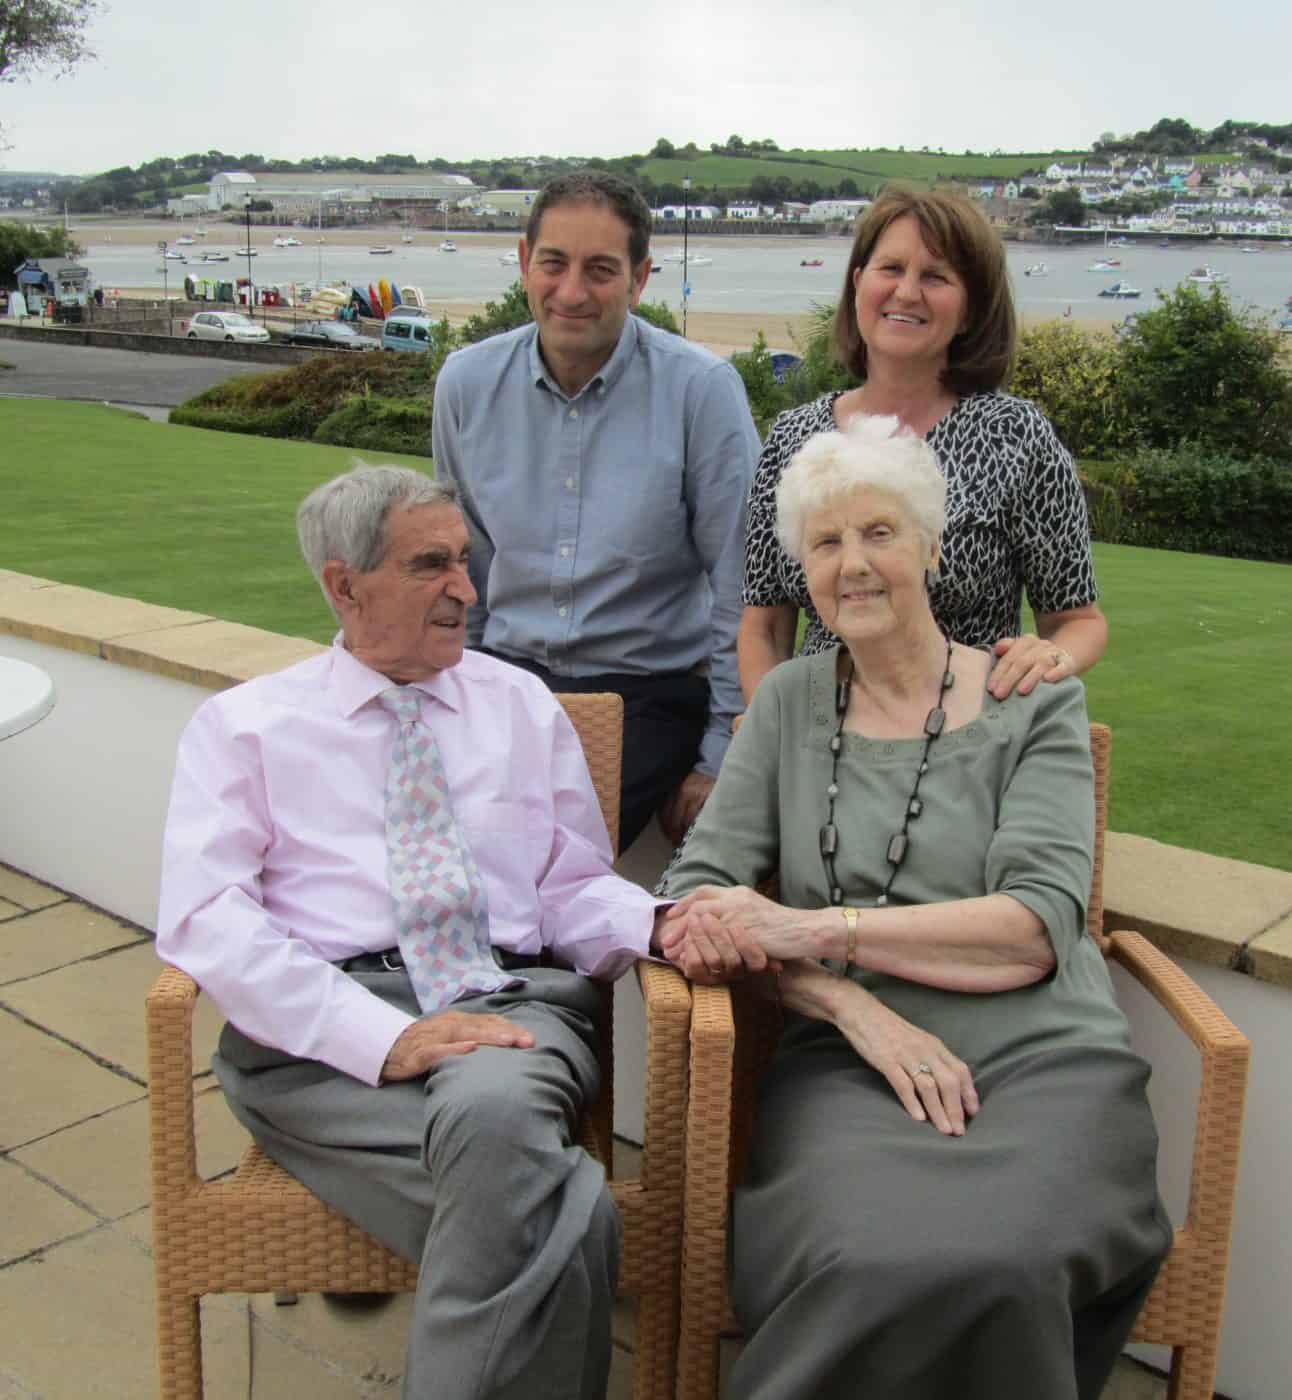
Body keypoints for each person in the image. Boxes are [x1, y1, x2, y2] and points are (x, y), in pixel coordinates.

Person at [658, 417, 1168, 1400]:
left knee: (1002, 1262)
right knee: (868, 1258)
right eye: (823, 542)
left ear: (932, 546)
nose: (851, 564)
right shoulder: (786, 705)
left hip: (1043, 1056)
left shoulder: (1033, 699)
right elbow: (689, 900)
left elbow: (1031, 927)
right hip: (847, 1067)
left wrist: (811, 928)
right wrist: (848, 1003)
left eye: (878, 533)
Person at [156, 465, 669, 1400]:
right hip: (317, 1039)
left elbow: (573, 886)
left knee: (496, 1112)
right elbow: (205, 919)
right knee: (567, 1209)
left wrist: (666, 923)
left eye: (466, 563)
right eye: (432, 564)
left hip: (504, 1006)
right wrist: (382, 1037)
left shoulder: (518, 704)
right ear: (344, 586)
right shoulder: (244, 728)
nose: (467, 590)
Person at [432, 170, 760, 849]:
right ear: (525, 263)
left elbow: (742, 587)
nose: (572, 292)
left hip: (643, 696)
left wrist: (721, 758)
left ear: (640, 279)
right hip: (506, 683)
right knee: (408, 829)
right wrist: (449, 704)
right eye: (553, 263)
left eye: (601, 270)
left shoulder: (701, 392)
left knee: (539, 851)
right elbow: (463, 571)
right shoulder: (465, 385)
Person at [739, 187, 1107, 706]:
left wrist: (1051, 656)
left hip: (962, 736)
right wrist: (769, 729)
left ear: (971, 308)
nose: (907, 293)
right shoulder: (794, 439)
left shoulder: (1018, 437)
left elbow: (1077, 621)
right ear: (858, 281)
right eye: (890, 268)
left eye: (935, 276)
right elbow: (764, 625)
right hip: (819, 736)